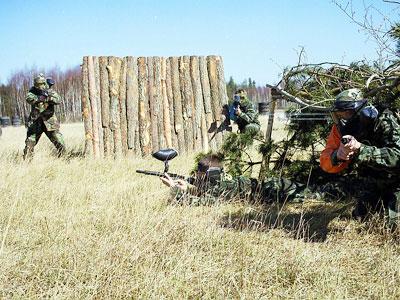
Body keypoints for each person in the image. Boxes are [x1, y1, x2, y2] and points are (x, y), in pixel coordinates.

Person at [320, 88, 400, 226]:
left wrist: (361, 149)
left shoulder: (385, 121)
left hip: (397, 183)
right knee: (360, 218)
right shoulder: (341, 129)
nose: (342, 119)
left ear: (362, 111)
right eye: (339, 115)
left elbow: (397, 157)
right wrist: (337, 156)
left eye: (346, 114)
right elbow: (325, 161)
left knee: (393, 225)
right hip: (374, 183)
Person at [160, 154, 313, 205]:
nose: (196, 177)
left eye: (199, 175)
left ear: (209, 175)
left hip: (276, 191)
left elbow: (199, 202)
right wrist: (188, 186)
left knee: (317, 195)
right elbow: (202, 188)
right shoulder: (218, 180)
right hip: (272, 185)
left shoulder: (219, 188)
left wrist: (173, 187)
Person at [23, 73, 66, 159]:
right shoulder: (32, 91)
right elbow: (29, 98)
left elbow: (58, 100)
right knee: (30, 143)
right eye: (37, 85)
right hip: (36, 122)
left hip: (49, 122)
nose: (39, 87)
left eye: (41, 85)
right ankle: (27, 162)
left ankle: (63, 159)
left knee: (59, 142)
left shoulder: (49, 90)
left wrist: (48, 98)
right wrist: (39, 98)